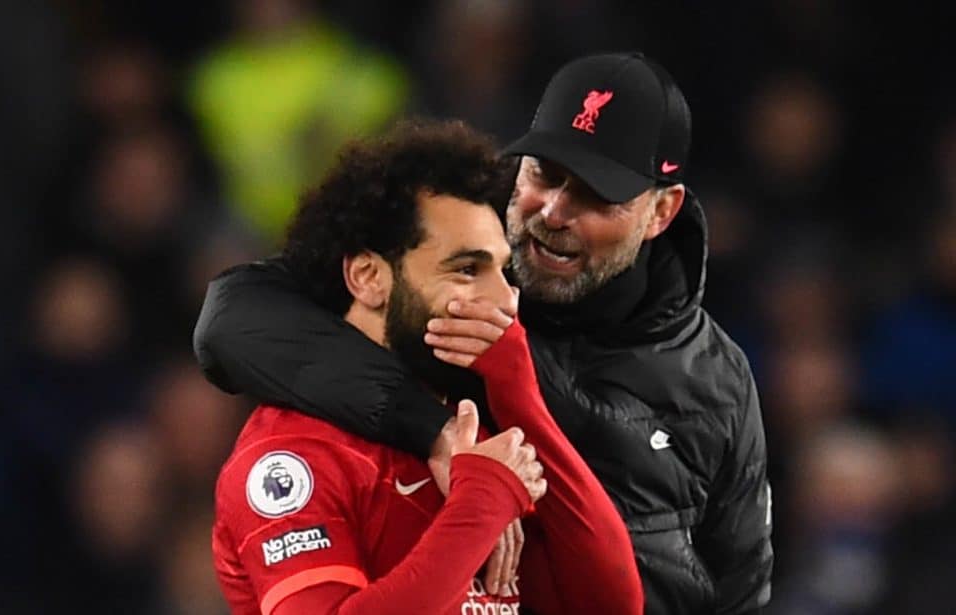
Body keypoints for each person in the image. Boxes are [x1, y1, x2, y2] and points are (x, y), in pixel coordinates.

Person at [197, 52, 772, 614]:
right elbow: (231, 318)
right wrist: (443, 436)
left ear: (662, 212)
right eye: (543, 174)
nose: (551, 212)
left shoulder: (717, 377)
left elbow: (698, 591)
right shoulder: (427, 277)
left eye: (597, 195)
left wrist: (515, 403)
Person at [209, 119, 643, 614]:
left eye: (504, 271)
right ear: (369, 277)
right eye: (466, 270)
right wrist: (479, 507)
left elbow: (609, 604)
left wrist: (521, 399)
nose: (506, 301)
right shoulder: (293, 454)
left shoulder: (478, 439)